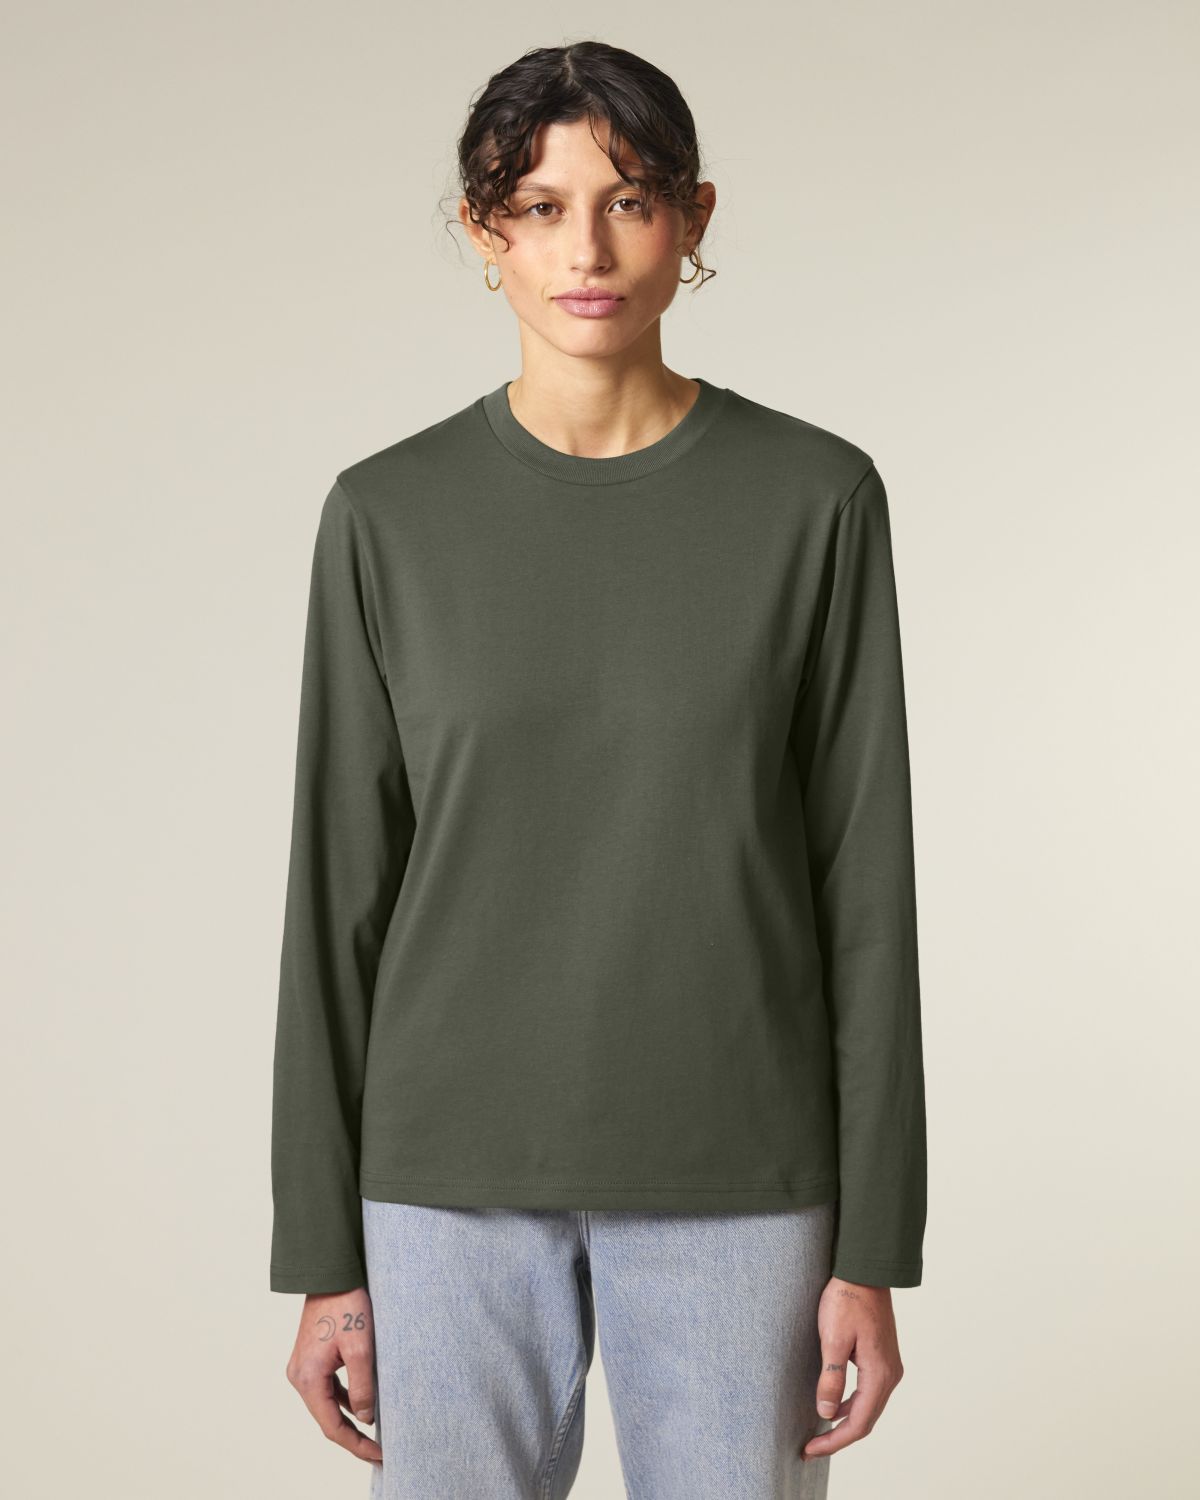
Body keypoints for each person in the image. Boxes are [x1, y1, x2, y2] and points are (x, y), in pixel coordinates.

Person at [270, 39, 927, 1500]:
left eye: (628, 201)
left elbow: (865, 891)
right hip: (444, 1180)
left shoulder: (815, 499)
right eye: (541, 206)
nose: (587, 249)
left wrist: (877, 1245)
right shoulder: (386, 516)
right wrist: (320, 1254)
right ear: (483, 230)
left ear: (693, 217)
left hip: (741, 1171)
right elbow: (336, 899)